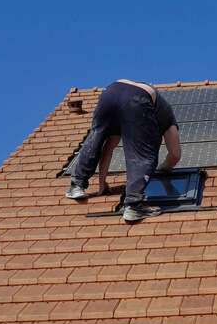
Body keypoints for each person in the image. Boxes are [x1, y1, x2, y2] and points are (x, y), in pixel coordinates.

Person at [65, 79, 181, 221]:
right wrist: (164, 168)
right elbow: (175, 154)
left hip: (111, 92)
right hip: (138, 98)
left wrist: (102, 183)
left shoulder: (124, 117)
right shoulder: (168, 118)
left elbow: (108, 147)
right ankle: (133, 205)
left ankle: (76, 185)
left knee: (97, 136)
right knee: (144, 154)